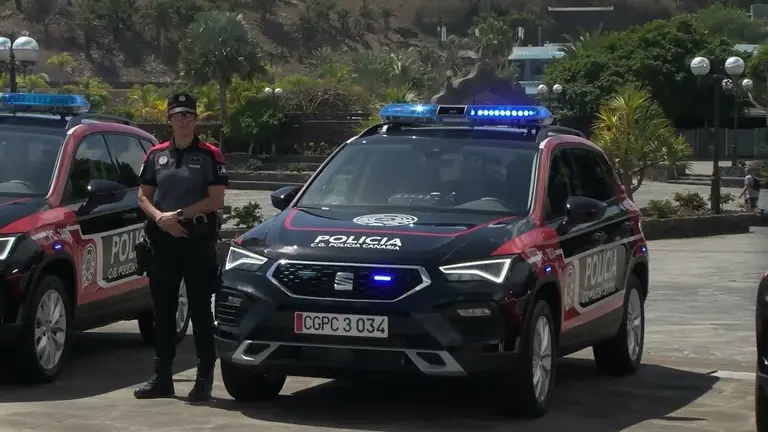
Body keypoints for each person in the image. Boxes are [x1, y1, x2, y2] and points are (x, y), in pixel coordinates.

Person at [134, 92, 228, 402]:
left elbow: (216, 200)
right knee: (164, 309)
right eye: (178, 114)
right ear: (169, 119)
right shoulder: (156, 154)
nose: (184, 119)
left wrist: (179, 216)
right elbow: (143, 196)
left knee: (201, 310)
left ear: (196, 119)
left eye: (189, 114)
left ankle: (203, 378)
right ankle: (162, 377)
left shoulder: (211, 154)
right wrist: (161, 218)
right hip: (163, 240)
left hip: (197, 240)